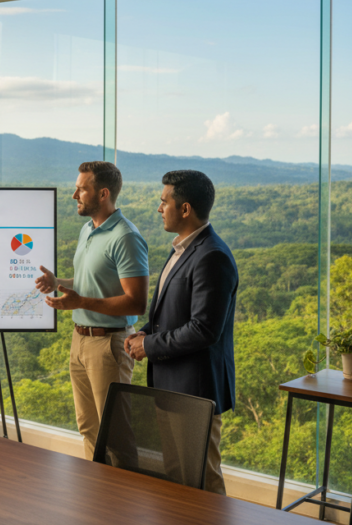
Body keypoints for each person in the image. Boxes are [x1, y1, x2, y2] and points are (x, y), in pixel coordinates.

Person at [124, 170, 237, 494]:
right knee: (176, 476)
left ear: (184, 208)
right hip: (171, 385)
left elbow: (204, 329)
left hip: (194, 390)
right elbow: (169, 314)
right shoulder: (182, 250)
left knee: (200, 479)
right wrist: (144, 333)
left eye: (164, 202)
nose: (159, 209)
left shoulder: (212, 256)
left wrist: (150, 345)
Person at [35, 161, 149, 460]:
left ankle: (121, 501)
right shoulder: (88, 230)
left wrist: (81, 302)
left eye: (82, 189)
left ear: (103, 194)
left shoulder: (126, 237)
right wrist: (57, 282)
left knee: (115, 434)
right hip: (80, 341)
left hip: (109, 344)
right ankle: (96, 496)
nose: (75, 195)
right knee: (89, 428)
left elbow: (136, 302)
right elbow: (89, 283)